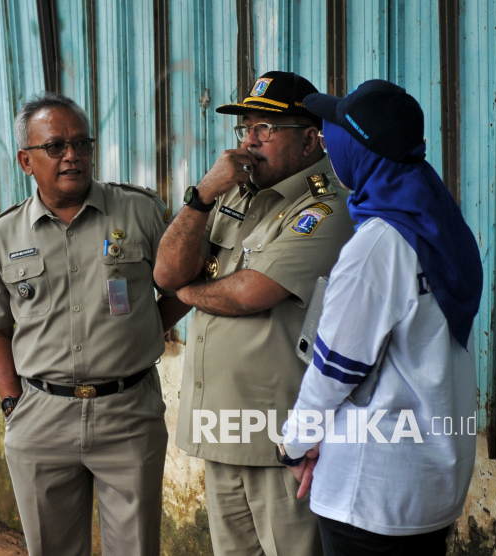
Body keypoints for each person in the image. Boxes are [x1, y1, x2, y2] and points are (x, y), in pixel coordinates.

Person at [0, 91, 185, 556]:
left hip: (128, 412)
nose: (72, 156)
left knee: (136, 547)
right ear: (26, 160)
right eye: (56, 146)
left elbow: (181, 285)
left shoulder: (141, 212)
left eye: (82, 144)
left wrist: (146, 330)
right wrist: (11, 404)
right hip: (40, 416)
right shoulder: (3, 235)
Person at [154, 71, 355, 556]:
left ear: (310, 139)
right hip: (221, 432)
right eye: (247, 127)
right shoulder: (230, 196)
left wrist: (190, 289)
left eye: (266, 128)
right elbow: (165, 273)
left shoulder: (329, 204)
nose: (250, 141)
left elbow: (251, 292)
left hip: (283, 442)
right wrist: (202, 196)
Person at [281, 80, 483, 556]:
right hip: (432, 483)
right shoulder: (441, 224)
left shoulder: (377, 244)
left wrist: (293, 445)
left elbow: (335, 370)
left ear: (360, 151)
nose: (329, 147)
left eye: (336, 139)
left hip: (370, 491)